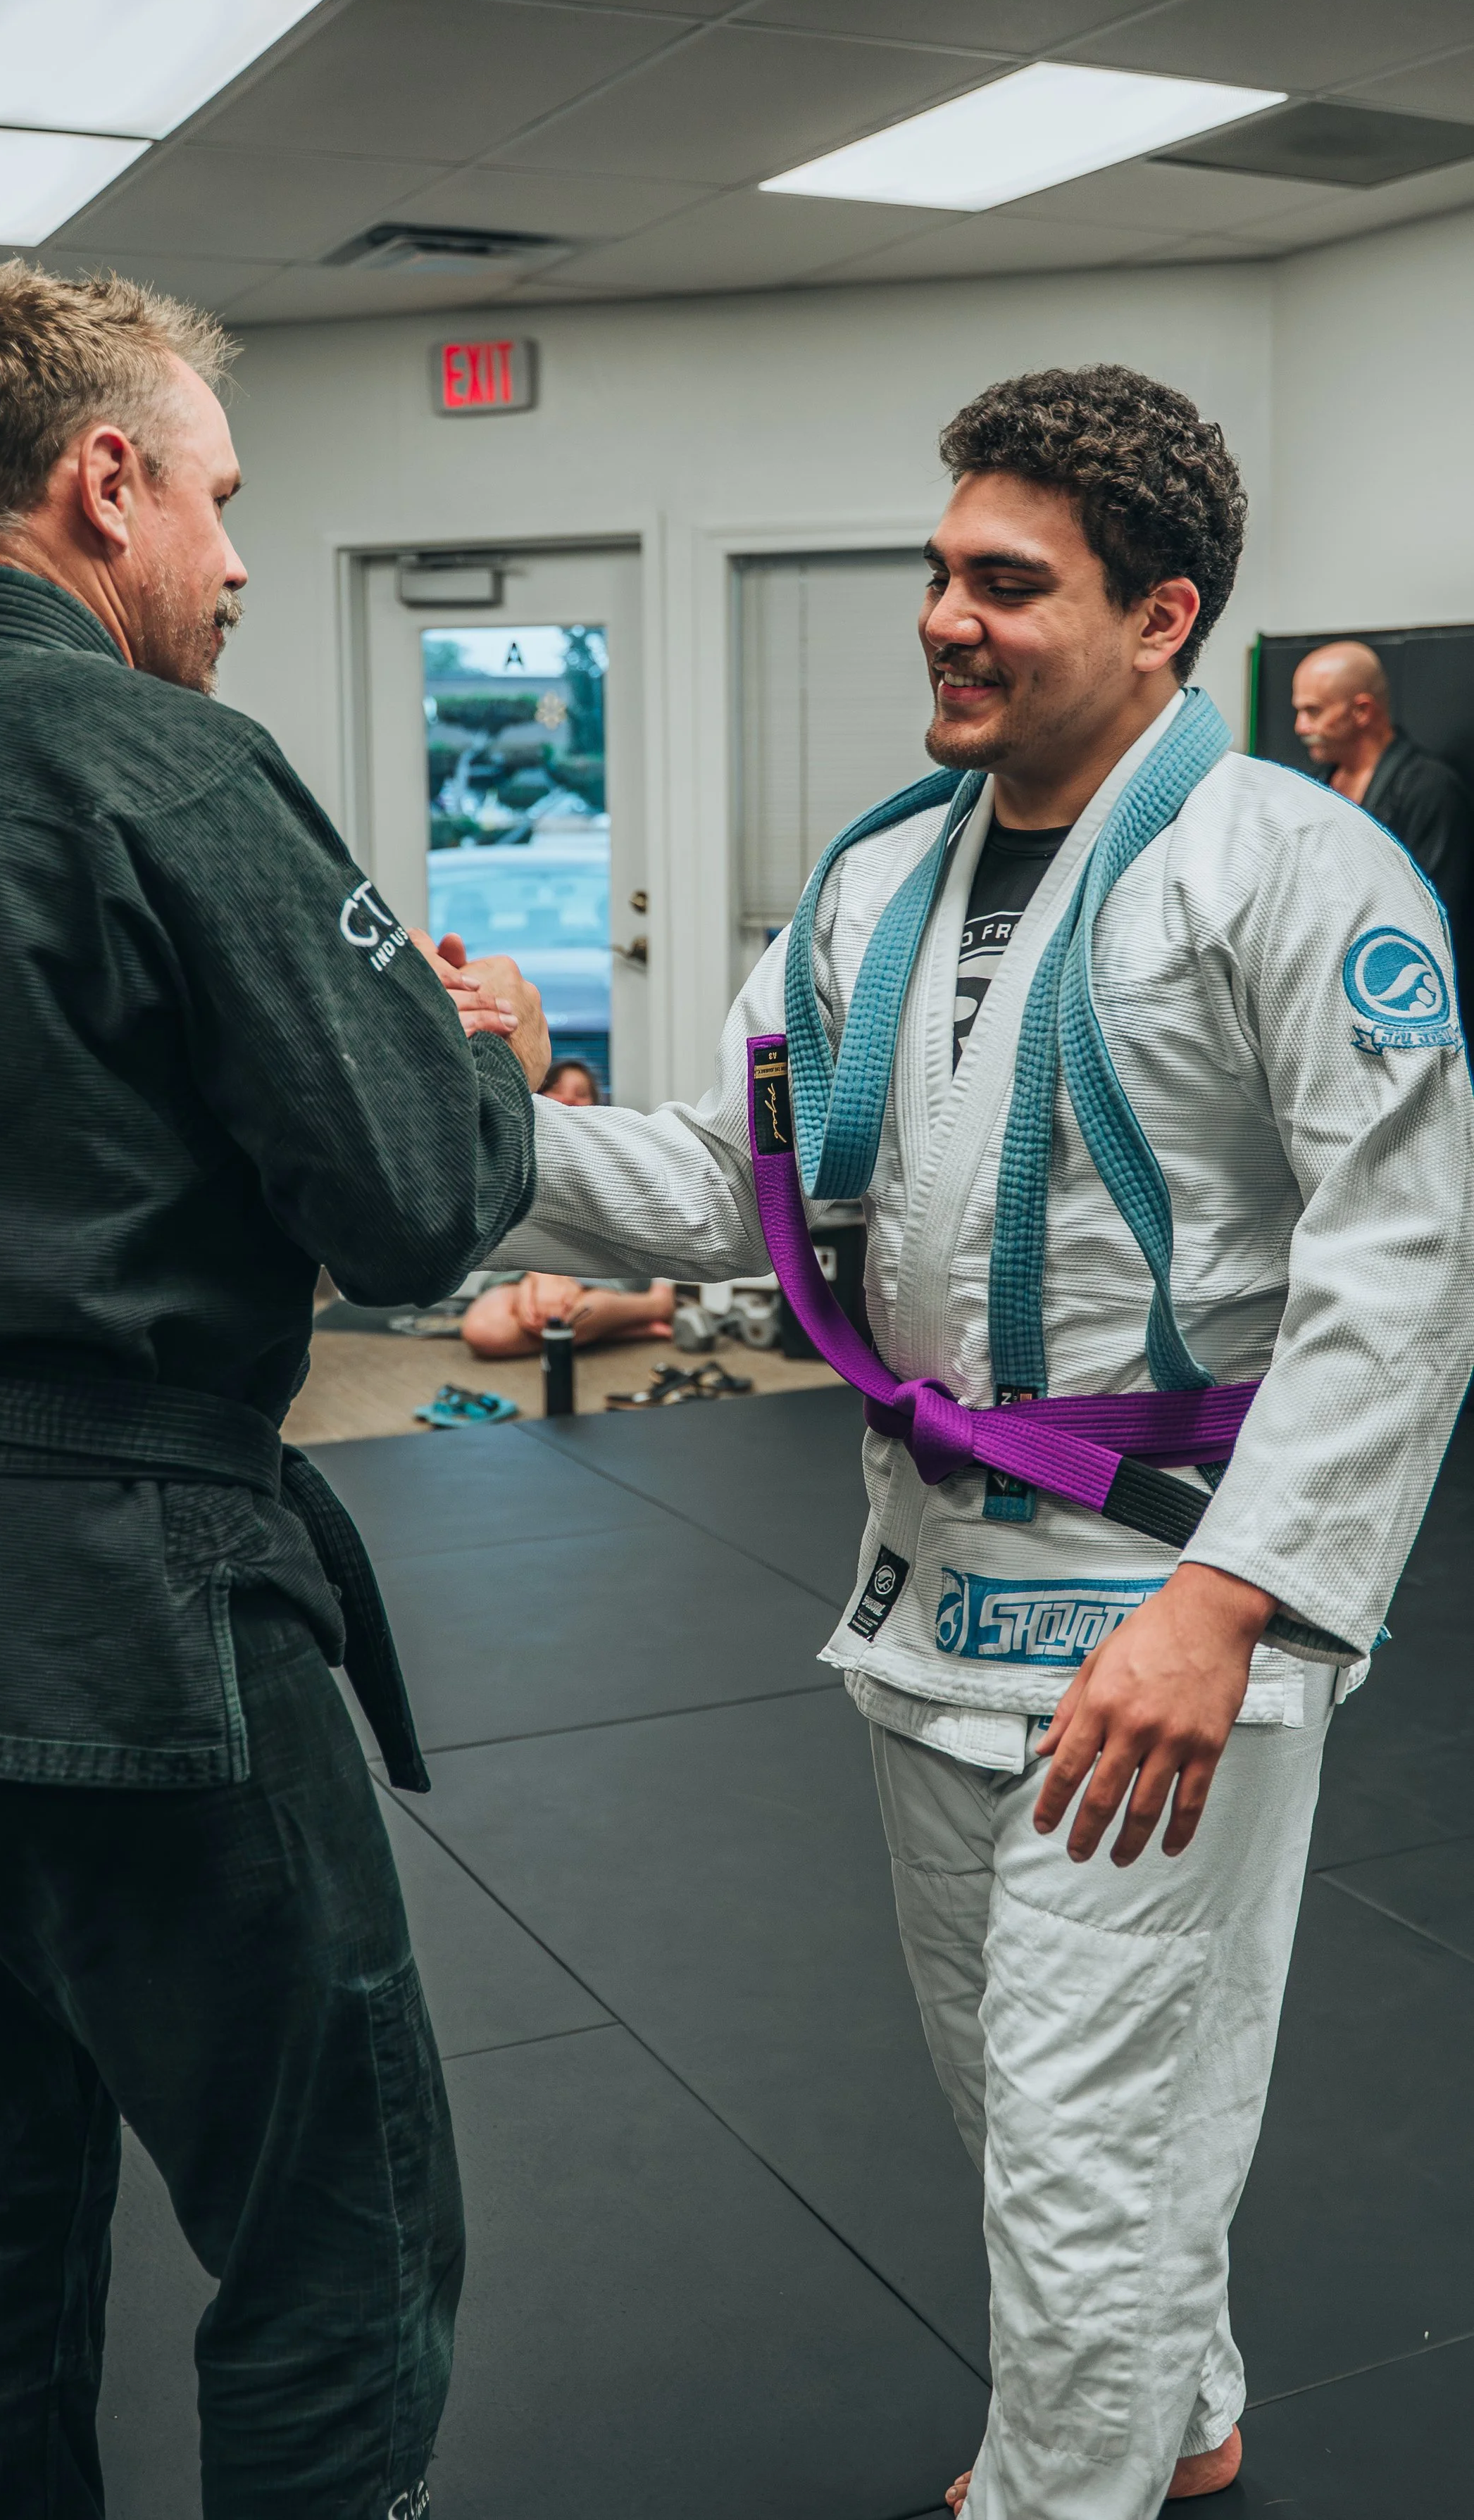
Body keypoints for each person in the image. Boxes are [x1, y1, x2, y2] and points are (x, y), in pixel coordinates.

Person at [442, 366, 1474, 2520]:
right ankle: (1172, 2403)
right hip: (930, 1588)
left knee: (1081, 2121)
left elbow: (1401, 1262)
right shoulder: (869, 888)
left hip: (1167, 1592)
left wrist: (1226, 1599)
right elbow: (724, 1182)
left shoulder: (1295, 867)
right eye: (938, 571)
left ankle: (1050, 2484)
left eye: (1004, 581)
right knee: (1029, 2104)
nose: (943, 613)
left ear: (1160, 615)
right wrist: (462, 1129)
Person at [0, 261, 548, 2519]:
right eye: (220, 494)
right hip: (121, 1611)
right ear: (105, 481)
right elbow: (399, 1205)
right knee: (337, 2231)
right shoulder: (157, 757)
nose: (240, 553)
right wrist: (495, 1072)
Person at [461, 1058, 675, 1358]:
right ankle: (629, 1325)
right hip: (521, 1271)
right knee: (483, 1329)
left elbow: (613, 1235)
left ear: (595, 1105)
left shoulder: (611, 1157)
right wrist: (541, 1279)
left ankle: (653, 1305)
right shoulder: (511, 1149)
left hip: (594, 1273)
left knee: (570, 1314)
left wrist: (562, 1280)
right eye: (557, 1089)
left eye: (581, 1093)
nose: (568, 1100)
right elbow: (508, 1230)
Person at [1290, 639, 1474, 979]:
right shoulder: (1314, 788)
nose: (1301, 727)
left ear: (1362, 711)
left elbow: (1434, 913)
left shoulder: (1428, 789)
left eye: (1314, 711)